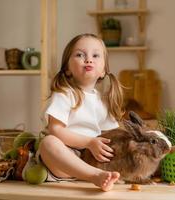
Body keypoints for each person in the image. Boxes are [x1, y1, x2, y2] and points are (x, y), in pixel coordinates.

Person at [38, 33, 124, 192]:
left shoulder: (103, 101)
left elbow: (112, 134)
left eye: (96, 55)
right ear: (68, 69)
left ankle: (101, 173)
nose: (89, 59)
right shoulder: (64, 93)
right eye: (80, 55)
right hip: (64, 158)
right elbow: (56, 130)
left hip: (92, 158)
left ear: (104, 70)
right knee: (48, 143)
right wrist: (89, 142)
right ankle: (95, 176)